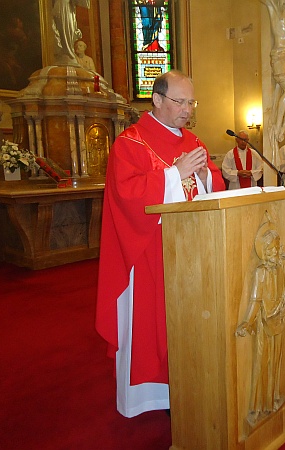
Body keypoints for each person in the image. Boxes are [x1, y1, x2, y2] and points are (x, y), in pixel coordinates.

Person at [95, 70, 225, 418]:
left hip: (195, 251)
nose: (186, 110)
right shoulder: (130, 142)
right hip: (151, 250)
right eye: (179, 102)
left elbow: (213, 182)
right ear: (156, 99)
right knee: (154, 324)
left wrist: (204, 176)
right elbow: (125, 195)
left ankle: (188, 382)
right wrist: (174, 175)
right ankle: (155, 393)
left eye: (190, 102)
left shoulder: (194, 142)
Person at [236, 218, 285, 425]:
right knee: (261, 363)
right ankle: (258, 406)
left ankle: (272, 400)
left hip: (278, 319)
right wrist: (247, 322)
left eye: (277, 250)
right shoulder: (260, 272)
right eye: (271, 251)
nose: (275, 255)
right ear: (265, 251)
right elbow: (255, 300)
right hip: (262, 323)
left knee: (275, 362)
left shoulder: (282, 267)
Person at [260, 0, 285, 162]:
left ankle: (281, 126)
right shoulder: (274, 10)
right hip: (280, 56)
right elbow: (267, 4)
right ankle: (278, 127)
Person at [52, 0, 90, 65]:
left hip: (67, 7)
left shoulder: (89, 60)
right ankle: (67, 52)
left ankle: (68, 52)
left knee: (69, 29)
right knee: (66, 29)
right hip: (63, 7)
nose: (78, 47)